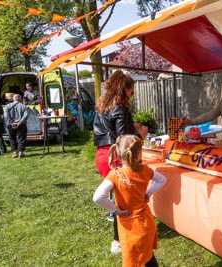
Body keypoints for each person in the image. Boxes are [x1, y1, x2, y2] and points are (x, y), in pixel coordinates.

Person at [93, 70, 148, 254]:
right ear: (124, 89)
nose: (132, 96)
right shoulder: (119, 107)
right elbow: (123, 139)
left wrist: (133, 127)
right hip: (115, 156)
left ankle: (119, 230)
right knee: (122, 199)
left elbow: (114, 130)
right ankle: (118, 241)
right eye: (131, 91)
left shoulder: (104, 104)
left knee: (117, 195)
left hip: (103, 154)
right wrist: (140, 135)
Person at [93, 134, 166, 267]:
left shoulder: (115, 175)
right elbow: (162, 179)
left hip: (130, 228)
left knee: (132, 260)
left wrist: (116, 210)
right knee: (148, 256)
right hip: (147, 223)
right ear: (138, 154)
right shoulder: (145, 170)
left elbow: (98, 197)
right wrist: (148, 193)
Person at [4, 94, 28, 158]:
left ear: (13, 99)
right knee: (22, 138)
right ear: (20, 99)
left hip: (10, 125)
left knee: (12, 138)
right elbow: (25, 116)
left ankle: (14, 152)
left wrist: (12, 123)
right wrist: (19, 123)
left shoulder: (7, 106)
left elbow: (6, 116)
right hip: (21, 124)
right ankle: (21, 152)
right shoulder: (23, 106)